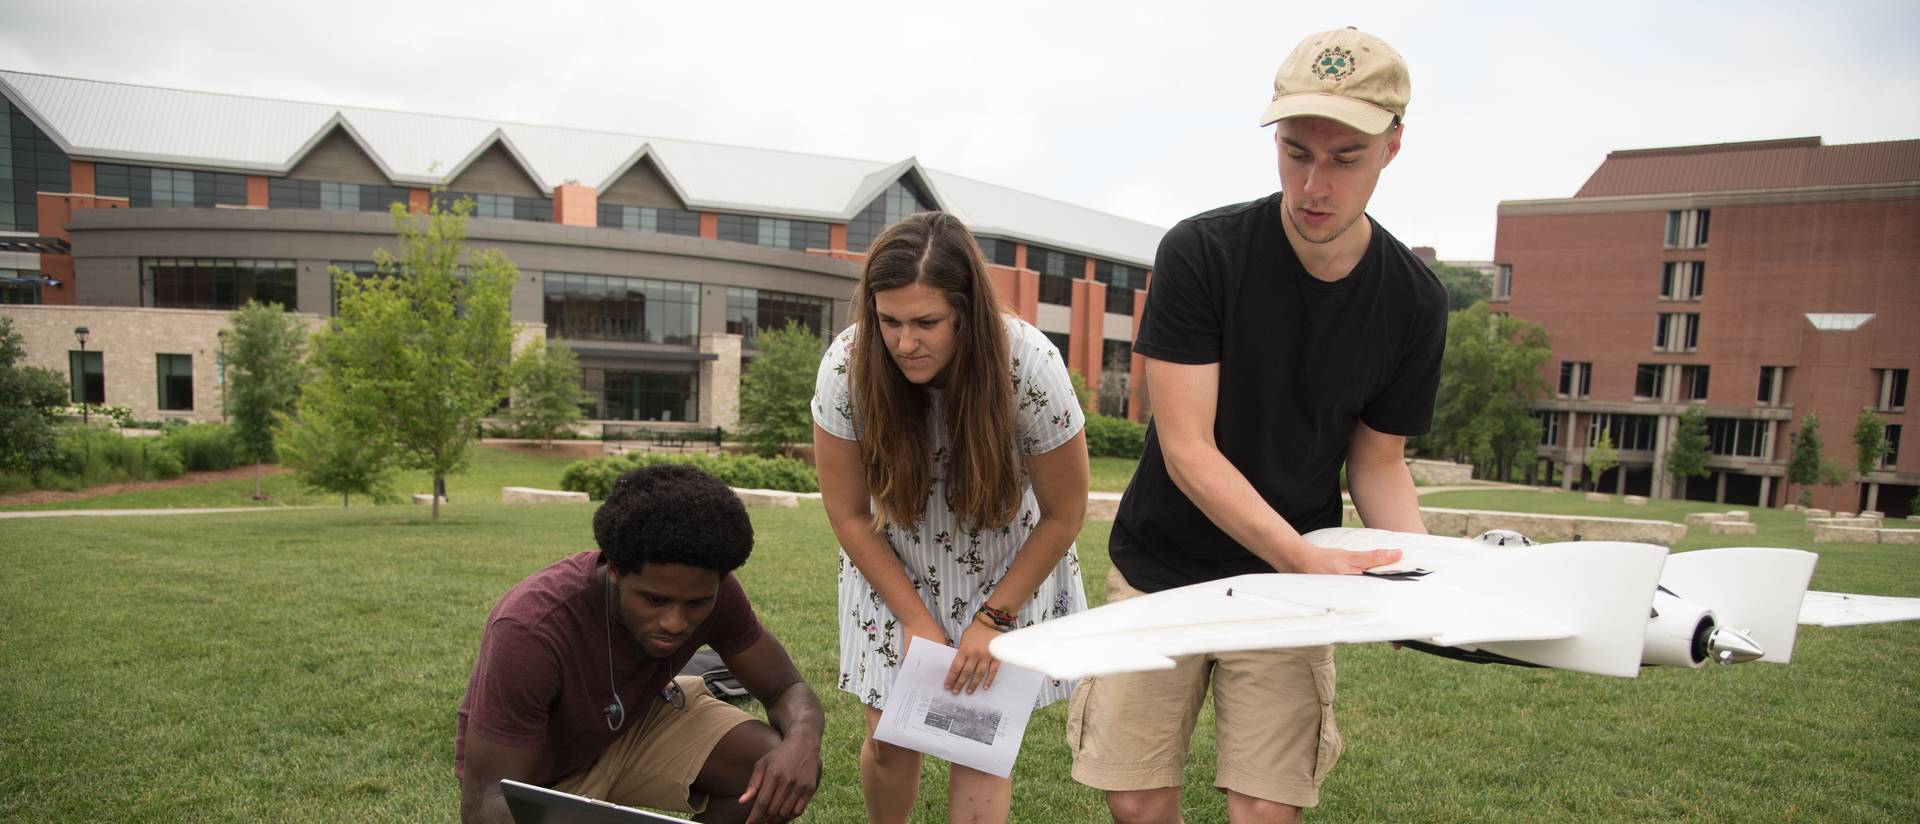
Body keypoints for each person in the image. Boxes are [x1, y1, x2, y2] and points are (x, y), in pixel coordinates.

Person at [1068, 26, 1446, 824]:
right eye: (1295, 151)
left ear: (1393, 149)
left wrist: (1424, 583)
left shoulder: (1414, 300)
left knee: (1267, 811)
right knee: (1137, 802)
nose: (1315, 184)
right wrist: (1304, 557)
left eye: (1344, 158)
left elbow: (1378, 463)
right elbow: (1187, 449)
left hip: (1286, 591)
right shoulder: (1202, 253)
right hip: (1163, 564)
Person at [811, 211, 1091, 823]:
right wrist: (914, 619)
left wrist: (994, 618)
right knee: (889, 740)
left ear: (966, 311)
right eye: (889, 321)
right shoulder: (847, 366)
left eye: (926, 322)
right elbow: (848, 513)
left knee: (977, 749)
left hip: (1004, 568)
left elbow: (1066, 513)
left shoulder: (1029, 365)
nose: (904, 342)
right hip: (893, 562)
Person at [455, 464, 823, 824]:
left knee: (776, 765)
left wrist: (803, 741)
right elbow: (487, 800)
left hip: (638, 721)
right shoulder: (530, 629)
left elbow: (786, 688)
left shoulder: (716, 592)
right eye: (655, 600)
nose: (675, 623)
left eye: (696, 603)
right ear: (613, 569)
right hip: (549, 778)